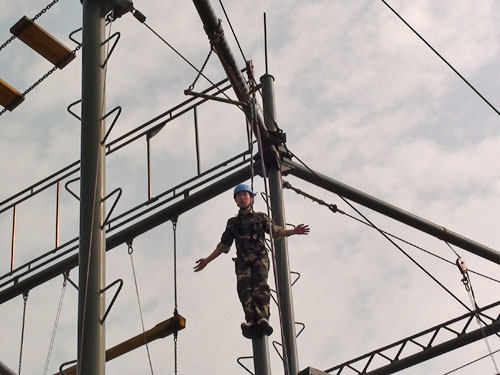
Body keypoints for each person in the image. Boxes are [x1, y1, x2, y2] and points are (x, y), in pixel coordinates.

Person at [193, 183, 310, 338]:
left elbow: (275, 232)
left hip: (259, 258)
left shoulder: (260, 217)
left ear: (251, 198)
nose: (242, 198)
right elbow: (224, 245)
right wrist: (207, 260)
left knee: (260, 287)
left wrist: (293, 231)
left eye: (245, 195)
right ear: (235, 200)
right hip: (242, 262)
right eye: (239, 196)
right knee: (244, 290)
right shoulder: (233, 223)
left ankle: (263, 317)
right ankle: (250, 320)